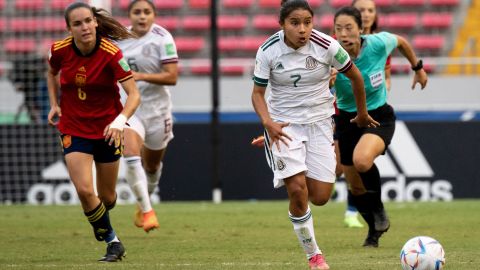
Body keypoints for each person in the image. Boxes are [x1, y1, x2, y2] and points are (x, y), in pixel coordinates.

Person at [251, 1, 378, 269]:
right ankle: (314, 256)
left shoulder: (327, 46)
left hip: (320, 125)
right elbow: (257, 94)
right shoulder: (267, 51)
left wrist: (363, 113)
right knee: (297, 189)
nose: (302, 29)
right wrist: (267, 123)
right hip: (283, 128)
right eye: (294, 23)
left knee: (320, 196)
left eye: (307, 22)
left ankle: (288, 163)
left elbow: (355, 76)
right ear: (282, 24)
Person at [46, 2, 140, 262]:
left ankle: (102, 218)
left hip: (109, 129)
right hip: (74, 128)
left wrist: (120, 121)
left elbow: (134, 95)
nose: (84, 27)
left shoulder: (111, 53)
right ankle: (113, 241)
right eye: (77, 23)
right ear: (69, 28)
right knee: (85, 191)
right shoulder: (59, 50)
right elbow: (51, 72)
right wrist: (55, 103)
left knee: (106, 198)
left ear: (96, 22)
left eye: (88, 21)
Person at [332, 6, 427, 247]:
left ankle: (380, 210)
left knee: (362, 160)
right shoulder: (328, 55)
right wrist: (326, 80)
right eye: (338, 29)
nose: (343, 34)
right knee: (354, 185)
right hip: (346, 120)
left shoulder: (377, 43)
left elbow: (402, 42)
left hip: (378, 116)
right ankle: (373, 230)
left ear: (361, 29)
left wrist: (417, 68)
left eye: (349, 28)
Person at [116, 0, 178, 233]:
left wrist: (139, 76)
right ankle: (147, 210)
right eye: (137, 12)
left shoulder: (163, 38)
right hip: (131, 107)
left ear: (154, 15)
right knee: (131, 154)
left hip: (158, 110)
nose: (142, 17)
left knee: (151, 166)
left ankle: (145, 199)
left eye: (146, 12)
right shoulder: (118, 38)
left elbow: (172, 77)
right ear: (130, 16)